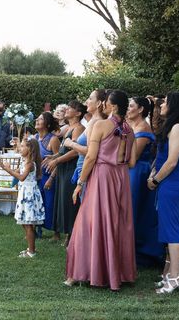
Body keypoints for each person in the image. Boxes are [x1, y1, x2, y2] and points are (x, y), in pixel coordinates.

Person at [65, 90, 136, 291]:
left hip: (102, 177)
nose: (103, 105)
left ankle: (82, 273)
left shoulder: (100, 125)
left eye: (106, 102)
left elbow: (90, 157)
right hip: (122, 177)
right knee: (117, 224)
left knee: (88, 223)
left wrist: (80, 182)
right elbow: (131, 162)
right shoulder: (129, 129)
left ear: (113, 106)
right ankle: (117, 274)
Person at [148, 92, 179, 296]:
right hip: (169, 183)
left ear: (175, 105)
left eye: (166, 101)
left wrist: (156, 179)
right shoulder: (177, 126)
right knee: (169, 228)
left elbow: (173, 161)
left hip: (172, 182)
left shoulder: (178, 128)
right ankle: (172, 274)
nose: (162, 104)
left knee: (173, 229)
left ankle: (176, 275)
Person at [126, 96, 162, 265]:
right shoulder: (128, 124)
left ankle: (138, 250)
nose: (128, 108)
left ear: (140, 109)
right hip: (127, 170)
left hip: (138, 172)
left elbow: (133, 155)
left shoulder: (144, 128)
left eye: (131, 106)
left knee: (134, 209)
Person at [0, 137, 45, 257]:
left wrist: (6, 168)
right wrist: (3, 166)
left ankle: (31, 252)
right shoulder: (25, 162)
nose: (20, 149)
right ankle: (30, 248)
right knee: (24, 223)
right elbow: (16, 173)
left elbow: (21, 177)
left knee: (28, 224)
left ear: (30, 149)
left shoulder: (30, 164)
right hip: (24, 193)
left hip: (29, 195)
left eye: (23, 146)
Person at [46, 101, 86, 245]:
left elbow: (75, 151)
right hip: (64, 168)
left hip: (71, 169)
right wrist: (54, 157)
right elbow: (64, 149)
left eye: (70, 108)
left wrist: (57, 161)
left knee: (70, 202)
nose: (67, 110)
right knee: (62, 201)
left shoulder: (79, 128)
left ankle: (72, 235)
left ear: (78, 113)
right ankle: (64, 233)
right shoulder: (69, 128)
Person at [34, 111, 60, 239]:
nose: (37, 121)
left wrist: (51, 178)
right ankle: (37, 230)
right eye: (37, 119)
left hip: (49, 176)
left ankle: (56, 232)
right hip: (36, 177)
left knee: (50, 204)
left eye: (40, 119)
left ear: (48, 124)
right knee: (37, 203)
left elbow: (59, 161)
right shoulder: (33, 138)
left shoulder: (53, 139)